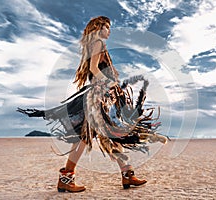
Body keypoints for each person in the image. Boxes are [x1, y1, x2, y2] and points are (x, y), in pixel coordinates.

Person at [17, 16, 167, 193]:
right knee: (85, 137)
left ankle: (127, 175)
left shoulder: (94, 45)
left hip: (101, 96)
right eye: (107, 27)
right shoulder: (98, 43)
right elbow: (94, 69)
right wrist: (109, 83)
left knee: (112, 136)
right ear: (99, 27)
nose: (109, 31)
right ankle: (67, 177)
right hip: (98, 97)